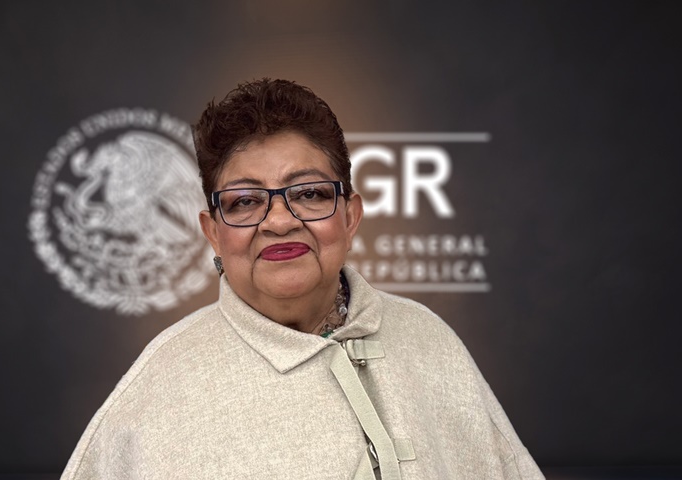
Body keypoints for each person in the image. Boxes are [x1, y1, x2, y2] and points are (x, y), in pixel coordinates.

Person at [60, 79, 543, 479]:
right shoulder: (156, 392)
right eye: (245, 201)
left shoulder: (430, 340)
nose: (279, 221)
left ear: (350, 216)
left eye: (309, 193)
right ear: (213, 233)